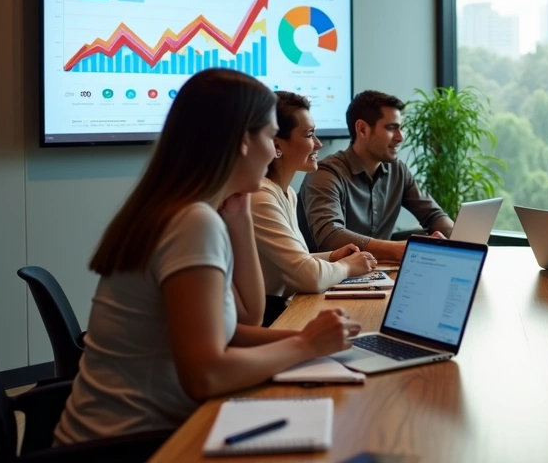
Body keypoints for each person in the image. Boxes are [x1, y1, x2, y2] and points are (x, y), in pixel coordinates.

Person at [55, 69, 361, 446]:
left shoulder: (189, 211)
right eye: (268, 136)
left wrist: (240, 215)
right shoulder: (191, 222)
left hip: (141, 434)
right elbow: (205, 376)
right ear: (241, 143)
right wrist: (306, 345)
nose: (271, 152)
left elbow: (243, 319)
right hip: (130, 446)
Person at [252, 91, 377, 325]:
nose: (318, 143)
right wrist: (346, 267)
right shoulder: (260, 198)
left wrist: (331, 258)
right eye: (310, 135)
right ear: (277, 144)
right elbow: (307, 276)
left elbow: (288, 263)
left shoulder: (286, 193)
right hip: (262, 321)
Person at [301, 90, 452, 262]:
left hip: (377, 277)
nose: (400, 137)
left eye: (400, 128)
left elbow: (434, 215)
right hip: (329, 282)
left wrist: (460, 240)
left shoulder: (398, 171)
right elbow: (330, 237)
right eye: (391, 128)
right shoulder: (325, 174)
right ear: (362, 129)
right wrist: (398, 249)